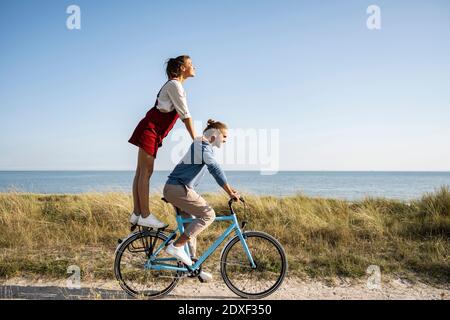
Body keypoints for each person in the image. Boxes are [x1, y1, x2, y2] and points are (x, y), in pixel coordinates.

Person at [128, 55, 197, 228]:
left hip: (152, 130)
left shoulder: (174, 85)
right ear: (182, 67)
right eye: (191, 64)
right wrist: (196, 139)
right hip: (151, 130)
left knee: (141, 172)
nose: (194, 67)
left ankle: (137, 213)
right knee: (145, 172)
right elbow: (185, 115)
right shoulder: (175, 85)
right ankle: (145, 214)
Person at [163, 119, 240, 270]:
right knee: (208, 214)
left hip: (179, 188)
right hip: (178, 188)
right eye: (224, 136)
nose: (225, 140)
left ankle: (191, 265)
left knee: (190, 227)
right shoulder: (201, 145)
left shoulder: (203, 146)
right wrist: (229, 192)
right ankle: (176, 246)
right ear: (215, 135)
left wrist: (230, 189)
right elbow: (215, 168)